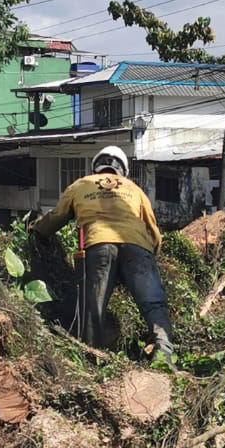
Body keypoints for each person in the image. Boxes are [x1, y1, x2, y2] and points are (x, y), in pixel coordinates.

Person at [31, 146, 174, 360]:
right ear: (122, 169)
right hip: (138, 246)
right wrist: (148, 259)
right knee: (153, 302)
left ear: (96, 166)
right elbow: (153, 230)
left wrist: (37, 230)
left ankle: (93, 359)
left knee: (94, 308)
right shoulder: (134, 189)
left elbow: (56, 218)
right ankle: (163, 351)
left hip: (99, 246)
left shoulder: (80, 185)